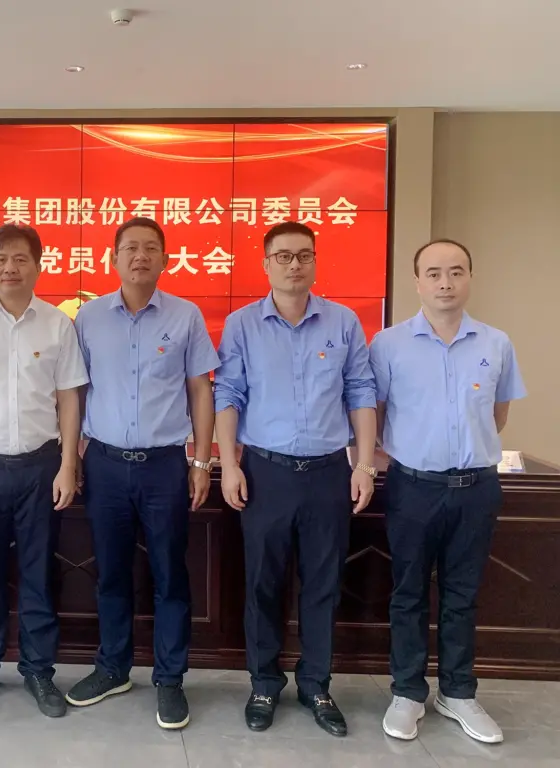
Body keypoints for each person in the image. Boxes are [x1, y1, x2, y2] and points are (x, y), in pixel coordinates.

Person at [213, 221, 377, 737]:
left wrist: (364, 465)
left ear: (315, 262)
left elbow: (360, 391)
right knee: (263, 583)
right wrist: (229, 463)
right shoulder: (242, 324)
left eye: (303, 255)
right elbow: (228, 394)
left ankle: (315, 685)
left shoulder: (343, 321)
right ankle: (264, 683)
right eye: (282, 256)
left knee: (323, 585)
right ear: (265, 265)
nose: (294, 264)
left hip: (328, 473)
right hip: (265, 472)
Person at [66, 217, 218, 730]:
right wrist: (73, 456)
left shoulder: (186, 315)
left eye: (150, 248)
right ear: (113, 258)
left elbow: (200, 389)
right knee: (111, 573)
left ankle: (170, 679)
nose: (140, 256)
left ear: (165, 259)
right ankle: (113, 668)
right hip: (104, 464)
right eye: (130, 248)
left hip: (164, 467)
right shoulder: (89, 317)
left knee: (170, 575)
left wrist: (201, 460)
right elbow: (75, 391)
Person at [371, 239, 525, 745]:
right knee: (409, 593)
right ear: (417, 281)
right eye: (434, 273)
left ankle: (457, 692)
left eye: (456, 272)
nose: (445, 282)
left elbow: (498, 415)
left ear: (469, 278)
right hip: (413, 488)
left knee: (462, 595)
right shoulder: (388, 344)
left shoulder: (496, 343)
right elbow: (376, 415)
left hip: (477, 487)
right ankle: (408, 692)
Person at [0, 223, 88, 718]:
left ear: (38, 266)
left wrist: (68, 465)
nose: (10, 267)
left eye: (20, 258)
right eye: (1, 258)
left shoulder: (58, 324)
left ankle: (38, 671)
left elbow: (69, 398)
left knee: (38, 571)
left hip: (41, 466)